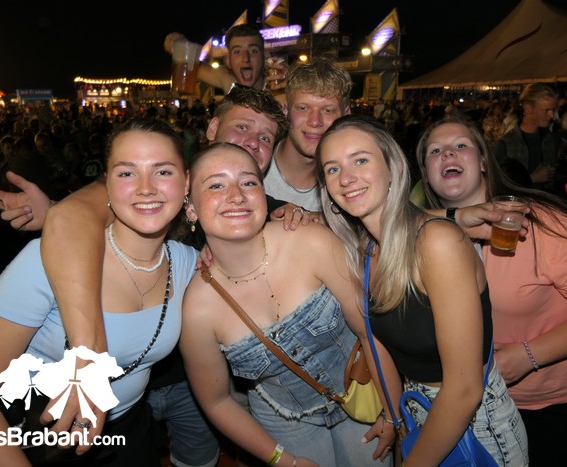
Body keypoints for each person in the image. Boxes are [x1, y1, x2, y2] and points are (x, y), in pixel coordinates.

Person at [0, 118, 197, 465]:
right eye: (126, 173)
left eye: (163, 171)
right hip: (44, 436)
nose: (145, 188)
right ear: (105, 185)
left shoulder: (187, 264)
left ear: (186, 182)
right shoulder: (45, 260)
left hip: (132, 430)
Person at [415, 116, 567, 466]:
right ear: (426, 175)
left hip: (560, 403)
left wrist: (526, 356)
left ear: (483, 162)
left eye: (461, 145)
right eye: (435, 151)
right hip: (482, 405)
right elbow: (382, 226)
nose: (448, 154)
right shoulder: (423, 237)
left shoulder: (546, 226)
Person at [315, 115, 529, 466]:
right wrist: (397, 420)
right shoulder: (368, 251)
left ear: (393, 168)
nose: (346, 178)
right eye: (333, 169)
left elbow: (464, 390)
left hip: (477, 430)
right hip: (419, 413)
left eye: (361, 160)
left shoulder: (437, 242)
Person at [180, 142, 398, 467]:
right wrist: (283, 459)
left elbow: (370, 331)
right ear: (191, 209)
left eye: (248, 182)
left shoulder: (309, 241)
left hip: (364, 391)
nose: (237, 195)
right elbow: (217, 402)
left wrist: (393, 413)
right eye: (216, 185)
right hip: (286, 422)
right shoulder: (197, 310)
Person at [264, 57, 352, 211]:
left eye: (328, 110)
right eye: (303, 108)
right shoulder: (253, 170)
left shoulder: (351, 185)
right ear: (285, 111)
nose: (315, 121)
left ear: (346, 114)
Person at [164, 24, 286, 95]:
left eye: (253, 51)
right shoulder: (228, 80)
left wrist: (294, 82)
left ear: (264, 57)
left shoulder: (279, 85)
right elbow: (190, 64)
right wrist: (179, 46)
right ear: (228, 61)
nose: (245, 59)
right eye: (237, 52)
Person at [494, 83, 559, 191]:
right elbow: (496, 182)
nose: (551, 115)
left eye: (553, 110)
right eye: (546, 110)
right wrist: (531, 178)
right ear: (528, 108)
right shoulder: (505, 144)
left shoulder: (551, 140)